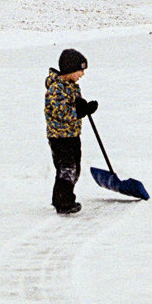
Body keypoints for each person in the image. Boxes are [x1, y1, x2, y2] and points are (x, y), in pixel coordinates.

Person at [45, 48, 97, 214]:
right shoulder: (55, 90)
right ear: (69, 69)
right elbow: (61, 112)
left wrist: (84, 107)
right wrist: (80, 111)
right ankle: (63, 202)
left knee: (75, 168)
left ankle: (62, 198)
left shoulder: (72, 87)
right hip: (59, 137)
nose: (82, 74)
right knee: (67, 168)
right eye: (80, 70)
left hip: (73, 134)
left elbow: (74, 106)